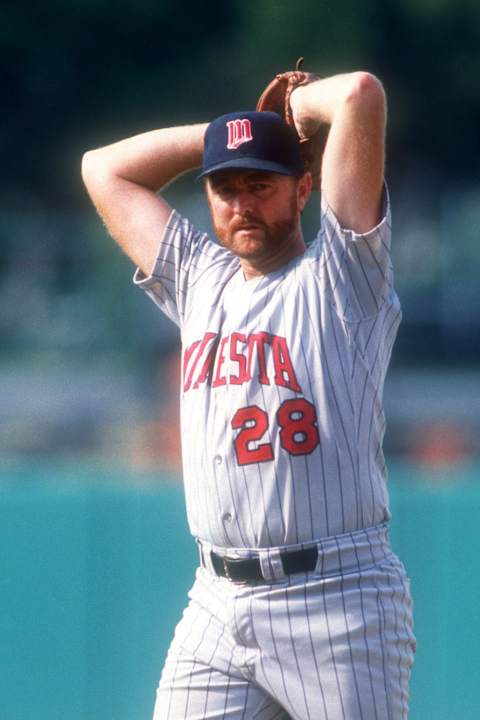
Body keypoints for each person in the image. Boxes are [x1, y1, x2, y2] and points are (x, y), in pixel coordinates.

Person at [82, 71, 416, 720]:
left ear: (303, 188)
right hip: (217, 599)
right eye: (225, 188)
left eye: (260, 184)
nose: (241, 203)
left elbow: (358, 96)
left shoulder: (343, 277)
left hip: (338, 598)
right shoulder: (199, 280)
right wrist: (227, 137)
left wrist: (288, 113)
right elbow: (104, 170)